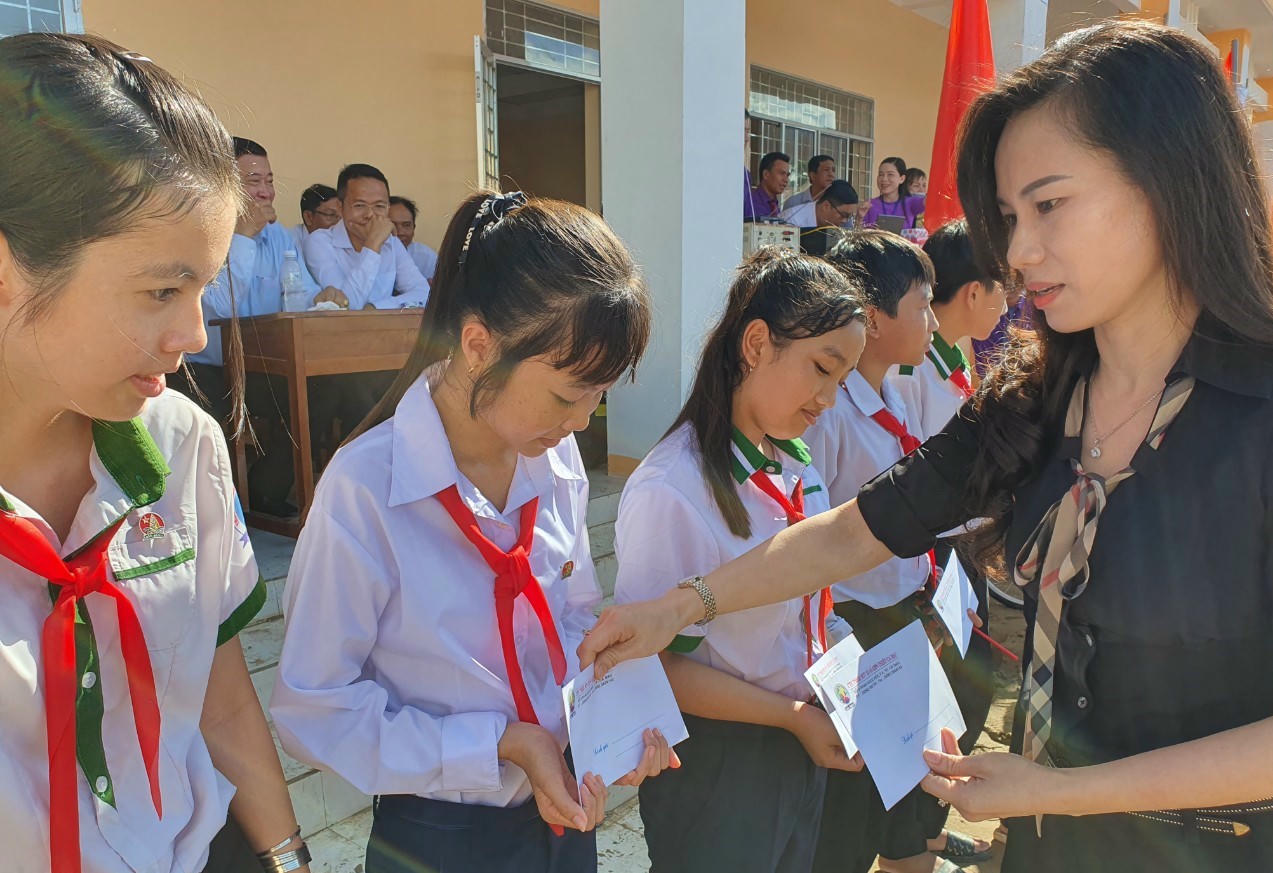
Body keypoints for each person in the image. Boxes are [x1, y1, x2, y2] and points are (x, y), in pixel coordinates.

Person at [577, 20, 1273, 873]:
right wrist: (683, 605)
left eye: (1049, 205)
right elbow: (859, 529)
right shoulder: (1036, 401)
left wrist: (1058, 788)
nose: (1018, 252)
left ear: (1168, 180)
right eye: (1009, 216)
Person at [270, 191, 676, 873]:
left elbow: (570, 613)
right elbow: (314, 707)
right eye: (567, 393)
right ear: (479, 344)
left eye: (599, 394)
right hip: (437, 830)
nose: (582, 421)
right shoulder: (367, 488)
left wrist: (613, 720)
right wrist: (495, 745)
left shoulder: (555, 458)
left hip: (561, 808)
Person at [0, 32, 309, 873]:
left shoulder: (181, 444)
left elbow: (219, 694)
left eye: (204, 287)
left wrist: (289, 858)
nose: (194, 334)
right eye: (162, 290)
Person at [615, 249, 866, 873]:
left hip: (797, 736)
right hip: (718, 760)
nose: (829, 399)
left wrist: (857, 674)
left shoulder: (792, 462)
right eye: (821, 368)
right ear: (756, 344)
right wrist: (792, 719)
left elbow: (811, 607)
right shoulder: (673, 490)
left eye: (842, 379)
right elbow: (658, 666)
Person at [799, 232, 961, 873]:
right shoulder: (830, 413)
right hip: (853, 628)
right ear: (872, 317)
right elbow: (812, 533)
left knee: (896, 796)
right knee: (848, 810)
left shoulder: (896, 391)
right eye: (921, 305)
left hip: (901, 619)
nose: (933, 322)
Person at [172, 137, 344, 517]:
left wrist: (322, 295)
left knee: (321, 391)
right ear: (221, 184)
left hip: (261, 368)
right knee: (204, 406)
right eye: (253, 182)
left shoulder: (278, 235)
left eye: (269, 180)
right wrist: (244, 237)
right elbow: (219, 307)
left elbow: (301, 294)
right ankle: (218, 510)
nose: (265, 192)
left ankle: (266, 489)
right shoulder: (197, 232)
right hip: (206, 369)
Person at [894, 219, 1007, 439]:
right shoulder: (909, 373)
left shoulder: (952, 359)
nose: (1004, 310)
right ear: (973, 294)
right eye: (1004, 287)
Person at [302, 163, 431, 309]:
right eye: (359, 205)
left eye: (379, 206)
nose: (370, 215)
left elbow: (424, 293)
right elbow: (345, 306)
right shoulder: (319, 242)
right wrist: (373, 244)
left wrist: (377, 307)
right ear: (340, 207)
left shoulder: (391, 242)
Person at [972, 277, 1032, 377]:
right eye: (1005, 275)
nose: (1010, 281)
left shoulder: (1037, 309)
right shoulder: (978, 310)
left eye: (1014, 274)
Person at [863, 157, 926, 229]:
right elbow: (859, 233)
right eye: (881, 174)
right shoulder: (869, 205)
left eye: (890, 174)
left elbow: (931, 201)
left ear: (901, 179)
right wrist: (859, 217)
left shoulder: (910, 203)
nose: (884, 179)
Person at [388, 194, 439, 281]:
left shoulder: (426, 257)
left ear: (414, 228)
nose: (400, 232)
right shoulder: (370, 255)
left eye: (406, 225)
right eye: (393, 225)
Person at [779, 179, 859, 231]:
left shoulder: (841, 225)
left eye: (849, 216)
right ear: (826, 206)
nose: (845, 221)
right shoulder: (791, 222)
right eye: (844, 215)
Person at [289, 182, 341, 249]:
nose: (339, 223)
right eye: (331, 214)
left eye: (341, 216)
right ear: (308, 217)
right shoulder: (289, 243)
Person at [748, 151, 790, 219]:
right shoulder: (749, 202)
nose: (786, 180)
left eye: (787, 175)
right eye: (782, 173)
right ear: (766, 174)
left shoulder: (775, 206)